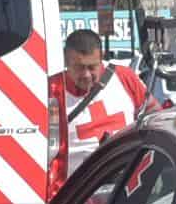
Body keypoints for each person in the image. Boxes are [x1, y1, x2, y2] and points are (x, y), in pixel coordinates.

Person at [46, 26, 146, 183]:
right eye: (79, 68)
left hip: (127, 184)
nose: (86, 75)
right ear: (66, 61)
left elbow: (153, 114)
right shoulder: (51, 90)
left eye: (92, 67)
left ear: (102, 59)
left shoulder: (124, 77)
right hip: (77, 192)